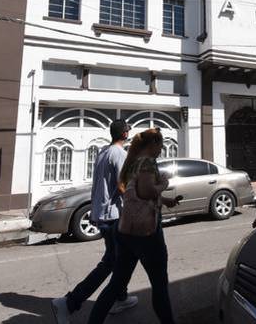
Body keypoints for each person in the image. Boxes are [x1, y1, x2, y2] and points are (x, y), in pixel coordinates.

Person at [88, 128, 179, 324]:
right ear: (152, 144)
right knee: (160, 286)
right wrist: (164, 183)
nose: (161, 149)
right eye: (160, 145)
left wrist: (165, 200)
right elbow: (146, 192)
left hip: (126, 231)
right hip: (146, 233)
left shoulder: (133, 162)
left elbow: (135, 194)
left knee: (116, 285)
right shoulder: (147, 162)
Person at [51, 119, 138, 323]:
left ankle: (121, 297)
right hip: (114, 216)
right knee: (113, 262)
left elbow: (101, 184)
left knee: (118, 259)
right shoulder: (119, 154)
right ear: (125, 134)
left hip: (104, 214)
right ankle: (70, 302)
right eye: (128, 131)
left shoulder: (103, 152)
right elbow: (123, 186)